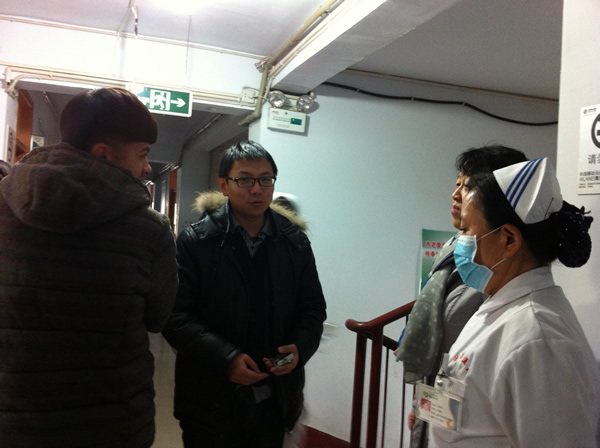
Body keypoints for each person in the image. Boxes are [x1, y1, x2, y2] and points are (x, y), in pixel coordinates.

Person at [0, 87, 178, 447]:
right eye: (142, 154)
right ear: (104, 154)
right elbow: (159, 317)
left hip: (16, 417)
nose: (146, 168)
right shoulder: (148, 230)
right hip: (111, 420)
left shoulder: (4, 210)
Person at [162, 140, 327, 448]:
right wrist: (227, 358)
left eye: (265, 179)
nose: (257, 189)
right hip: (209, 395)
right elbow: (175, 315)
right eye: (245, 180)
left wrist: (300, 347)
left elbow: (313, 309)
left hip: (275, 395)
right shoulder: (196, 241)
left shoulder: (294, 242)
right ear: (224, 185)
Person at [429, 157, 600, 446]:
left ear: (508, 240)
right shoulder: (501, 305)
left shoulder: (539, 342)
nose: (460, 242)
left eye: (467, 231)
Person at [396, 145, 527, 447]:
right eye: (457, 185)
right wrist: (423, 406)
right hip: (442, 400)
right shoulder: (454, 248)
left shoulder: (496, 273)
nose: (456, 195)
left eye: (467, 187)